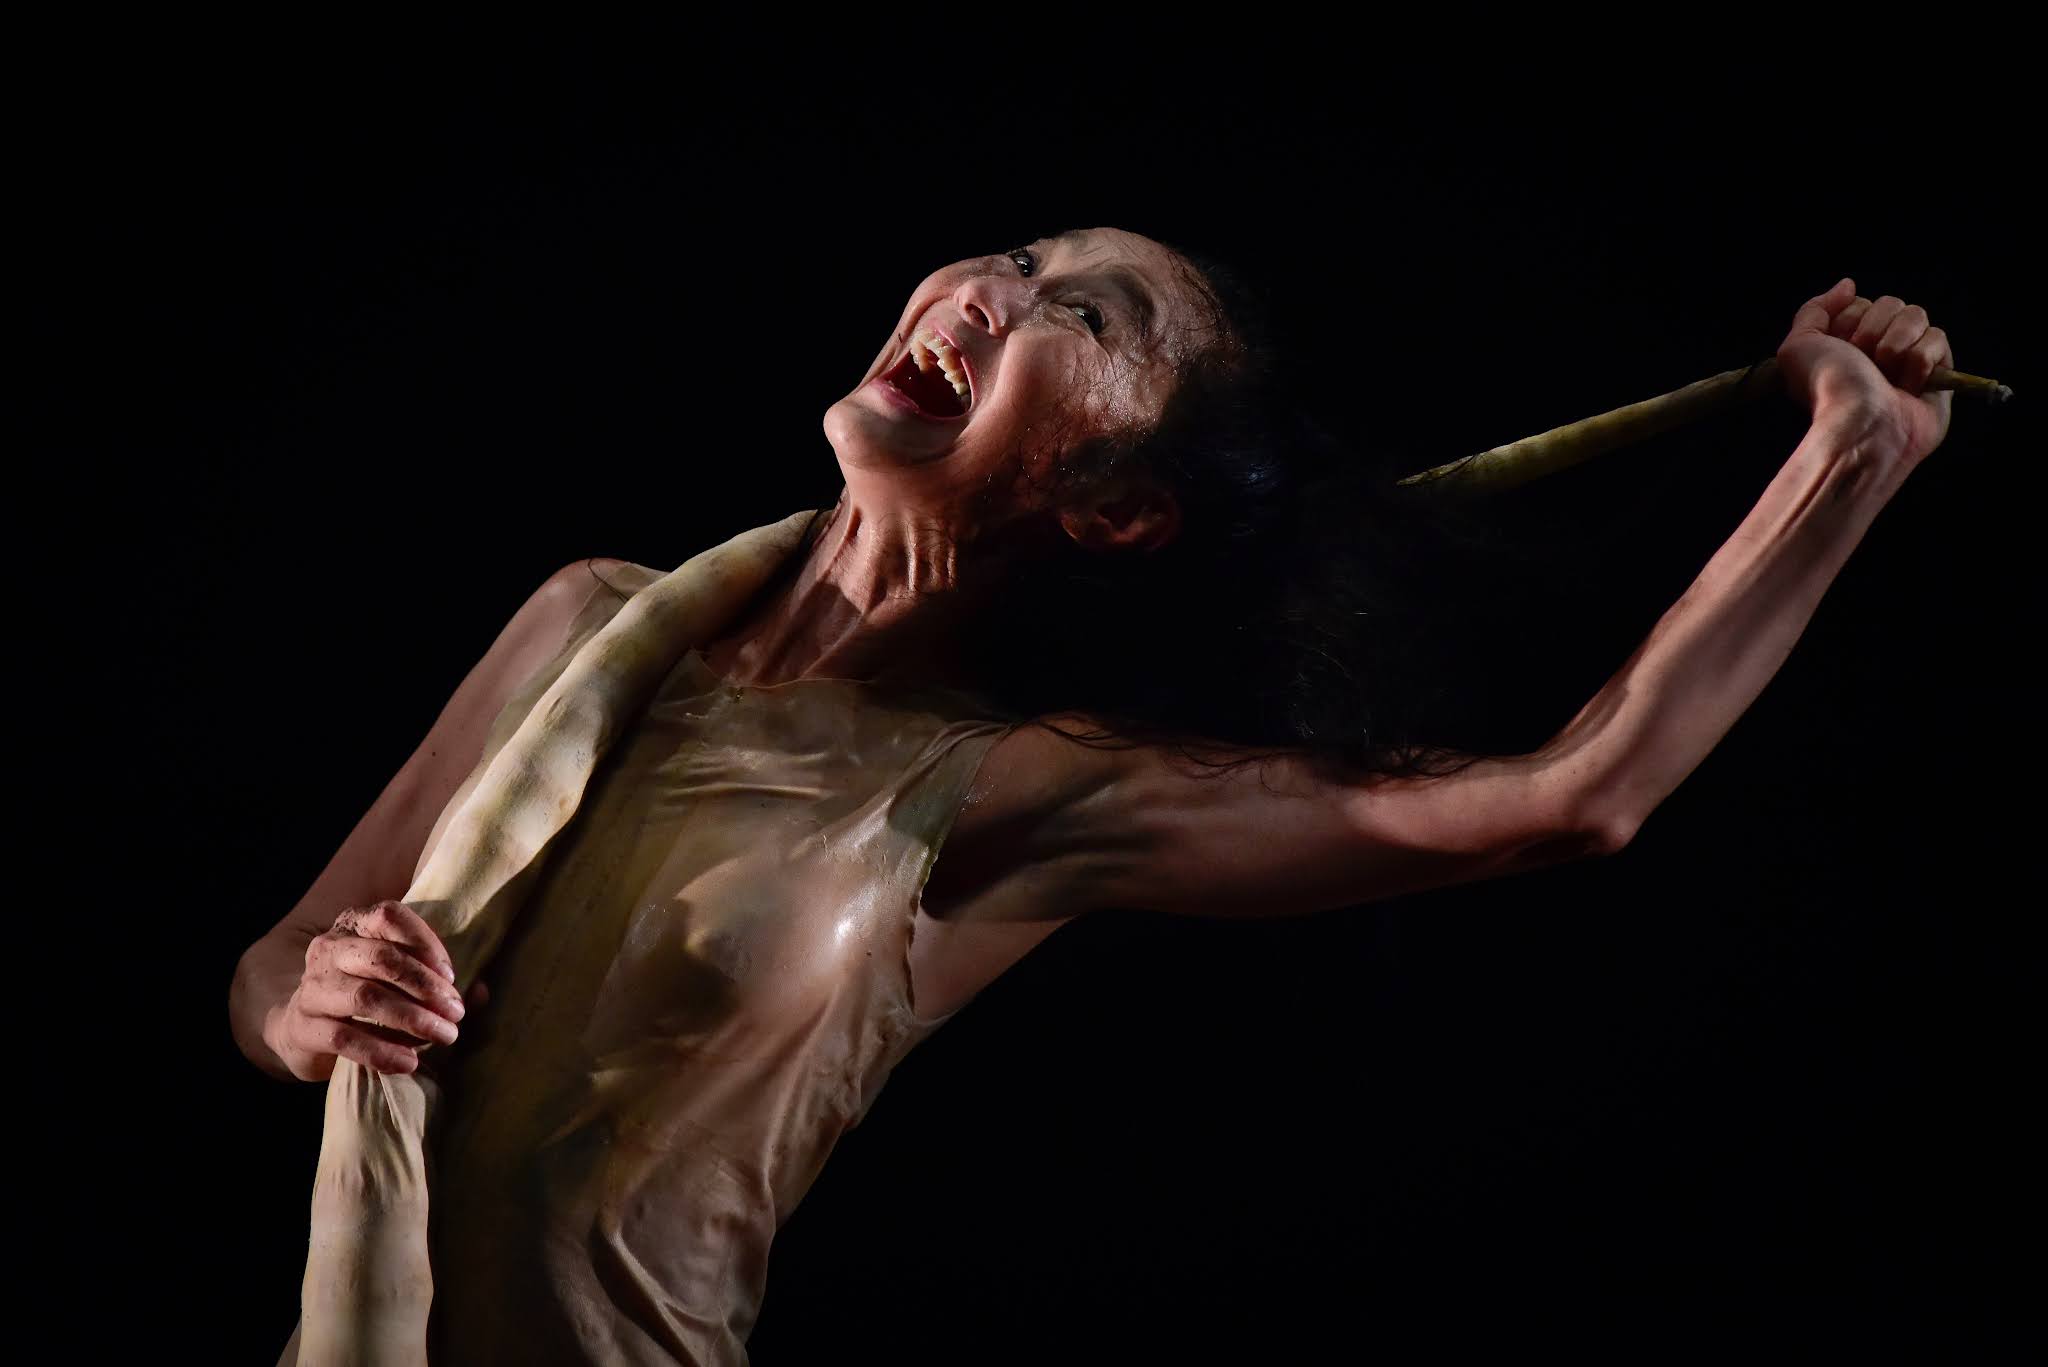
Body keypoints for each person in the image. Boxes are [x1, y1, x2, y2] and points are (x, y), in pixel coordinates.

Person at [228, 227, 1954, 1364]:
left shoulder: (1010, 791)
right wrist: (311, 1008)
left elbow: (1571, 794)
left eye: (1083, 314)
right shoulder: (589, 622)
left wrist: (1850, 456)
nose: (994, 288)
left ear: (1119, 509)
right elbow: (273, 971)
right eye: (1021, 254)